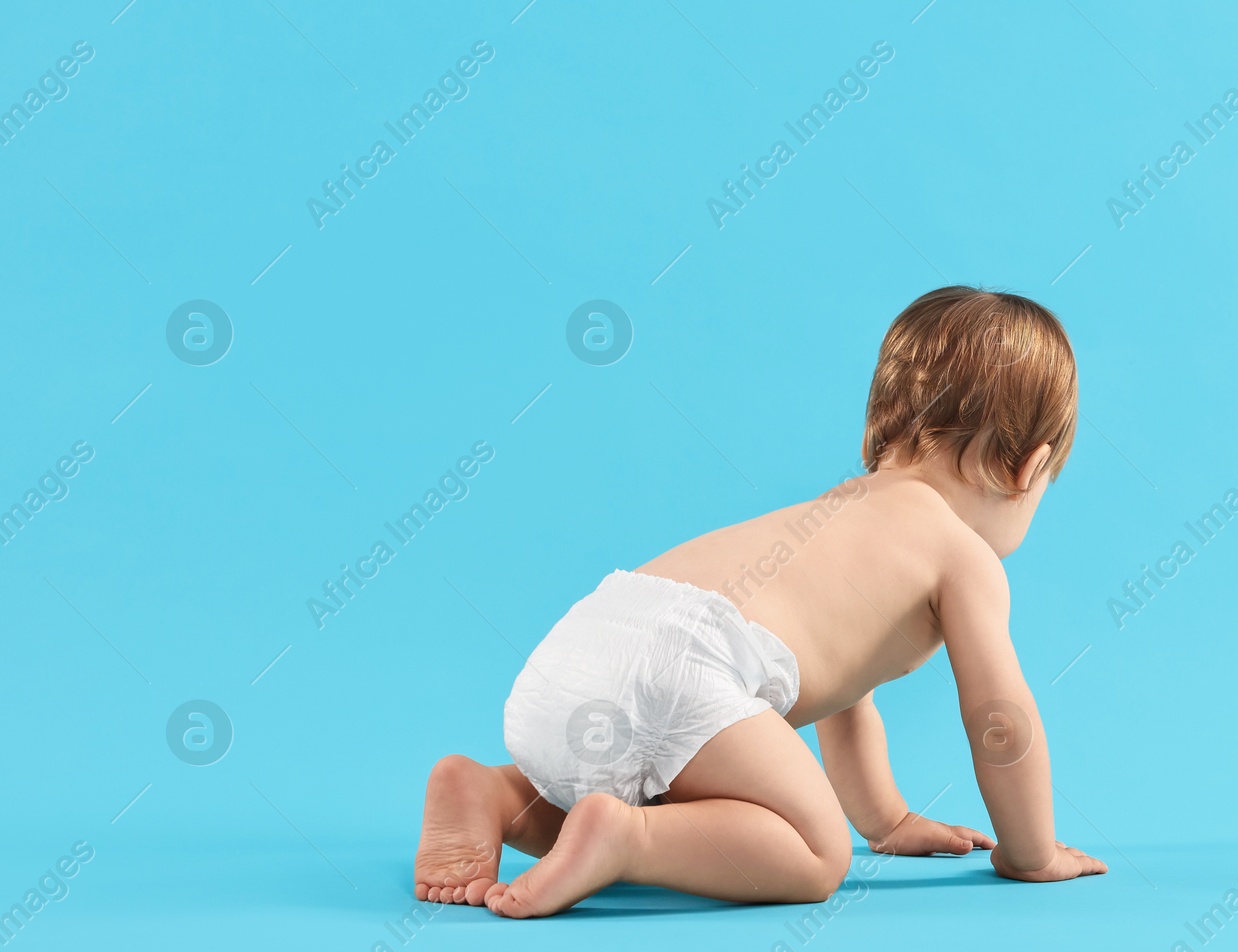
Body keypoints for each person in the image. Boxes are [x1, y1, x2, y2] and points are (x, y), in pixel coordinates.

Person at [414, 285, 1106, 918]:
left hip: (587, 639)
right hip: (687, 660)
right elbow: (1000, 718)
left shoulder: (834, 514)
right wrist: (1032, 851)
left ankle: (502, 794)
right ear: (1031, 467)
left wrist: (888, 821)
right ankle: (627, 838)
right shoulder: (962, 555)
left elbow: (844, 693)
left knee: (664, 793)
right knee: (815, 852)